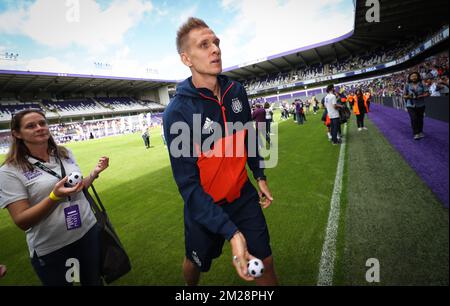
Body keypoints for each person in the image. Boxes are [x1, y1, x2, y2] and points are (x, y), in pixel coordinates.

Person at [163, 17, 278, 286]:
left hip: (243, 196)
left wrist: (259, 174)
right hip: (205, 205)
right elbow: (188, 187)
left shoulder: (236, 91)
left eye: (216, 42)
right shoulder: (177, 112)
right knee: (196, 263)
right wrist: (233, 234)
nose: (215, 49)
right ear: (186, 59)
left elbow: (248, 136)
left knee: (266, 263)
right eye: (204, 45)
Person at [0, 109, 109, 286]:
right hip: (53, 248)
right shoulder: (9, 171)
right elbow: (22, 221)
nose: (39, 127)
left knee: (93, 282)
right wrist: (54, 196)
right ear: (17, 134)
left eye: (42, 123)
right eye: (31, 126)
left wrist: (93, 174)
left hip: (87, 232)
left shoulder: (65, 153)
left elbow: (76, 189)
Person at [403, 72, 430, 140]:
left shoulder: (422, 84)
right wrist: (408, 96)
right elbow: (404, 95)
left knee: (420, 119)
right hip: (410, 105)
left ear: (418, 77)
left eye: (415, 76)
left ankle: (420, 131)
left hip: (421, 104)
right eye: (412, 76)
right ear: (410, 78)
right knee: (414, 118)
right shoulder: (407, 85)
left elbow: (428, 93)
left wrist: (420, 96)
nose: (414, 77)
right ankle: (416, 133)